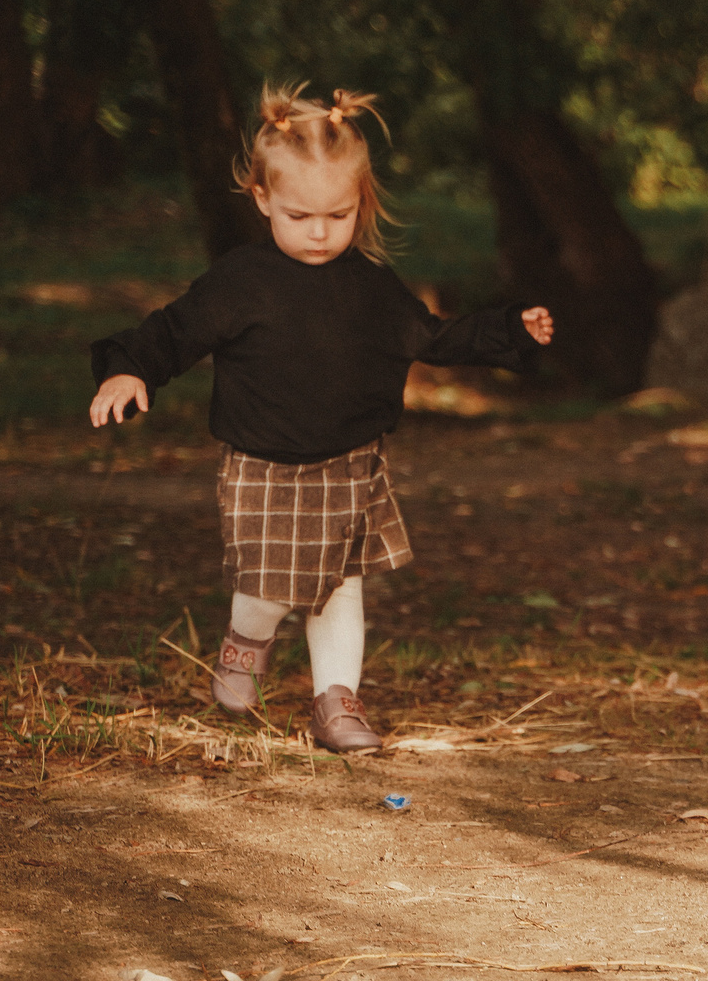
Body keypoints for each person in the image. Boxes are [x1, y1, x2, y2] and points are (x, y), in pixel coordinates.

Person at [86, 85, 553, 752]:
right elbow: (176, 330)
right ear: (263, 198)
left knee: (339, 588)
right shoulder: (241, 280)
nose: (318, 232)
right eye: (301, 214)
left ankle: (336, 702)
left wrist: (512, 330)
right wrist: (129, 367)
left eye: (336, 215)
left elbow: (434, 338)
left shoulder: (370, 285)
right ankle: (246, 644)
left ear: (359, 204)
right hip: (264, 464)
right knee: (269, 589)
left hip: (349, 463)